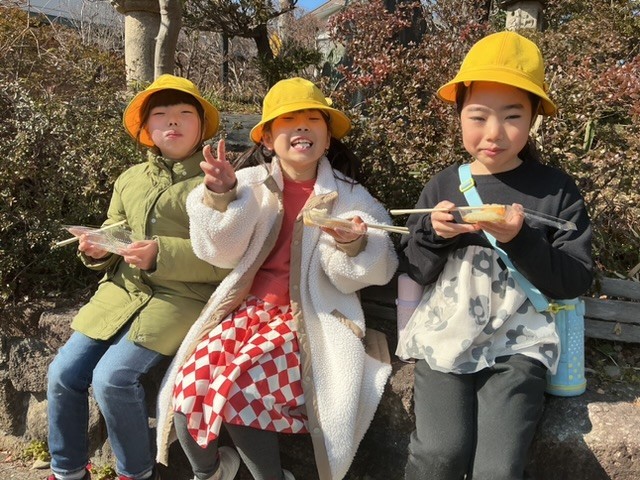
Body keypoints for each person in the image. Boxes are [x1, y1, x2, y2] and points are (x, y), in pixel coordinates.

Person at [154, 77, 399, 480]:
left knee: (239, 393)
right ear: (267, 139)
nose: (301, 126)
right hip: (245, 312)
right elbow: (218, 251)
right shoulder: (249, 184)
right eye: (288, 120)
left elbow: (380, 263)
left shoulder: (352, 196)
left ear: (327, 137)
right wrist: (220, 197)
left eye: (313, 119)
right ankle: (211, 472)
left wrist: (352, 244)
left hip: (307, 317)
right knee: (187, 390)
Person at [396, 31, 593, 480]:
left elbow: (575, 279)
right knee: (440, 453)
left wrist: (520, 239)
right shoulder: (444, 185)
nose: (493, 133)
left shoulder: (556, 190)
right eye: (478, 116)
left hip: (520, 344)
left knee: (498, 469)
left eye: (512, 116)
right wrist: (434, 235)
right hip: (445, 337)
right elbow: (415, 269)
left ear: (533, 118)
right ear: (459, 115)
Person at [46, 74, 231, 480]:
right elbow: (115, 229)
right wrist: (97, 249)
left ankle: (137, 474)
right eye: (160, 114)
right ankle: (67, 472)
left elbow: (228, 257)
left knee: (112, 379)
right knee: (62, 373)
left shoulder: (218, 183)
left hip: (181, 298)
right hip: (120, 292)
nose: (173, 121)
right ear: (147, 128)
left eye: (185, 113)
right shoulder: (130, 179)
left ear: (202, 125)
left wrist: (161, 254)